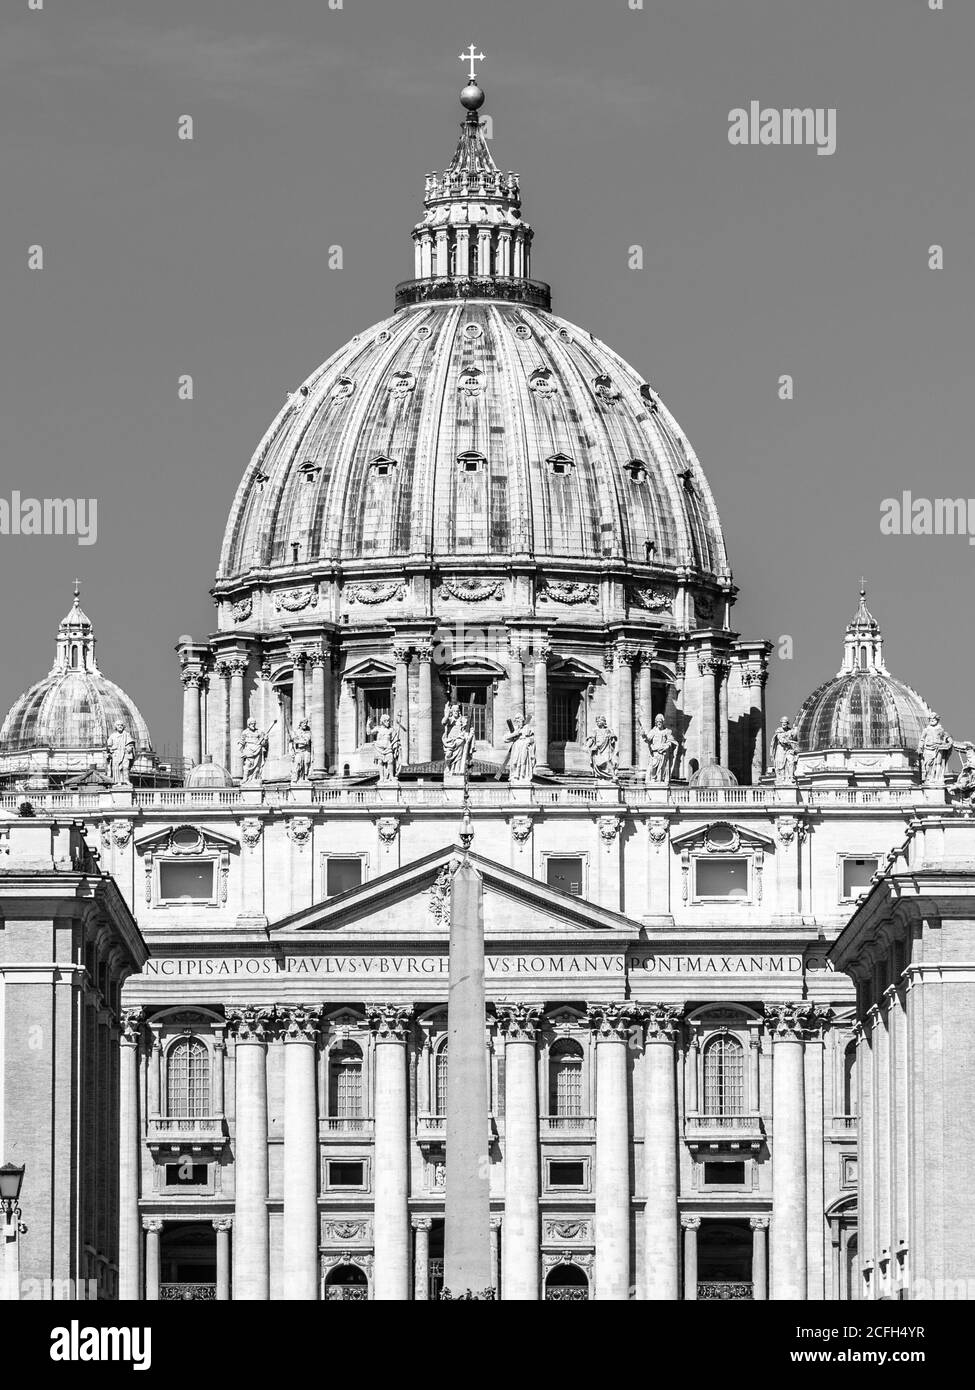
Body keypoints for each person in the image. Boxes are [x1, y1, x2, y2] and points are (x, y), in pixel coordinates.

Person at [640, 714, 678, 785]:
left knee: (662, 768)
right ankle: (653, 778)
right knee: (654, 765)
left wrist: (666, 746)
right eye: (657, 722)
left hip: (663, 753)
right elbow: (648, 739)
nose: (659, 723)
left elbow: (671, 741)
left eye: (660, 721)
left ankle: (660, 781)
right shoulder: (653, 731)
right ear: (656, 723)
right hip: (655, 752)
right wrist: (643, 735)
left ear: (663, 722)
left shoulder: (667, 731)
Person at [366, 711, 402, 783]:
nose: (388, 722)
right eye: (387, 721)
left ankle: (391, 776)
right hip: (379, 748)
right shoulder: (378, 728)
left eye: (389, 721)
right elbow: (369, 733)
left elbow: (395, 737)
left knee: (391, 761)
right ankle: (381, 778)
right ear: (383, 721)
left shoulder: (391, 729)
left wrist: (396, 746)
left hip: (388, 748)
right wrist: (368, 724)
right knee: (380, 762)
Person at [442, 702, 475, 780]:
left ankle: (456, 772)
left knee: (459, 759)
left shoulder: (462, 719)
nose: (456, 712)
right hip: (449, 742)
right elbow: (443, 722)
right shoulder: (449, 719)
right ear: (452, 712)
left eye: (457, 711)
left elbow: (469, 727)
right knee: (448, 755)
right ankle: (448, 767)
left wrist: (469, 734)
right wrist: (446, 714)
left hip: (459, 741)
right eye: (454, 711)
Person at [919, 714, 953, 786]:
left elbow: (948, 738)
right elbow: (922, 739)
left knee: (938, 763)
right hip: (928, 748)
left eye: (933, 719)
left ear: (937, 720)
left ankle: (937, 779)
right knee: (927, 764)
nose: (932, 720)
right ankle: (928, 777)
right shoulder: (926, 730)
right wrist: (920, 747)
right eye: (930, 719)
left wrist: (949, 743)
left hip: (939, 747)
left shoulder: (941, 730)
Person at [503, 714, 536, 783]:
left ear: (522, 720)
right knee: (514, 761)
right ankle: (514, 776)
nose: (517, 721)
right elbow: (505, 739)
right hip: (517, 746)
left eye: (518, 719)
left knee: (523, 762)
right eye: (516, 720)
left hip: (524, 746)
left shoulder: (528, 728)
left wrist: (528, 741)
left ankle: (522, 776)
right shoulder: (514, 729)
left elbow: (533, 739)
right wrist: (514, 734)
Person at [586, 714, 619, 781]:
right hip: (598, 749)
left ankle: (611, 776)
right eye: (597, 722)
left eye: (599, 721)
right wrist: (587, 746)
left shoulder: (608, 730)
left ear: (603, 722)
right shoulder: (595, 730)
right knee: (598, 763)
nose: (598, 723)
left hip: (606, 748)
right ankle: (603, 777)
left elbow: (615, 738)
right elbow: (591, 739)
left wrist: (612, 736)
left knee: (607, 761)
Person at [239, 718, 269, 784]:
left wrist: (265, 740)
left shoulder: (259, 732)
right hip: (249, 750)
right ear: (248, 724)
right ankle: (245, 778)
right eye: (252, 724)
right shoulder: (245, 732)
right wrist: (241, 751)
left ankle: (254, 778)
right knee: (247, 764)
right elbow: (241, 742)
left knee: (257, 766)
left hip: (258, 750)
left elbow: (263, 743)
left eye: (254, 723)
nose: (253, 725)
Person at [770, 716, 799, 784]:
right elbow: (781, 740)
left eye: (785, 723)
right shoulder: (779, 731)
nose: (784, 724)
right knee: (780, 764)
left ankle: (790, 776)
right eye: (783, 723)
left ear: (787, 723)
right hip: (781, 749)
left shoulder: (790, 731)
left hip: (788, 750)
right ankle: (781, 778)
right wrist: (788, 741)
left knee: (791, 761)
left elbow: (794, 737)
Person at [107, 720, 135, 785]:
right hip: (116, 754)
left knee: (125, 767)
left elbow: (130, 744)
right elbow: (109, 746)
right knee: (116, 768)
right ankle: (118, 781)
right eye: (118, 725)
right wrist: (111, 750)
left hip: (125, 753)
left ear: (124, 726)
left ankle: (126, 780)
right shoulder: (112, 736)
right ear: (115, 727)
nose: (120, 726)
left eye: (121, 725)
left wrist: (129, 748)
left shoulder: (127, 735)